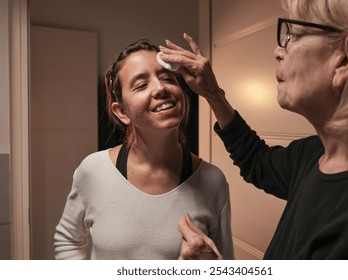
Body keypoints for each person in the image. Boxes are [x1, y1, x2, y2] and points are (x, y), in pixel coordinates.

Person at [159, 0, 348, 259]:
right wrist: (214, 95)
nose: (277, 51)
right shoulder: (314, 154)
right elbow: (256, 161)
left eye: (292, 34)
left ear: (346, 56)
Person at [54, 39, 234, 260]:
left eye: (167, 78)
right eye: (141, 85)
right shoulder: (92, 171)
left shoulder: (213, 181)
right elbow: (68, 240)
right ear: (121, 112)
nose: (160, 89)